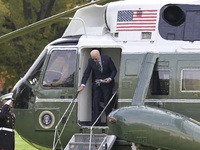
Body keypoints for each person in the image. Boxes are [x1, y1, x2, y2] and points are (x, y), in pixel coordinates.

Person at [77, 49, 117, 125]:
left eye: (96, 59)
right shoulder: (90, 61)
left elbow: (114, 70)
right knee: (95, 101)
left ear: (99, 55)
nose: (94, 60)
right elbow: (87, 73)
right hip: (97, 83)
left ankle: (108, 122)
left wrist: (110, 78)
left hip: (107, 83)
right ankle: (95, 122)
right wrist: (83, 85)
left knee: (107, 102)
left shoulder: (107, 59)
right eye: (93, 59)